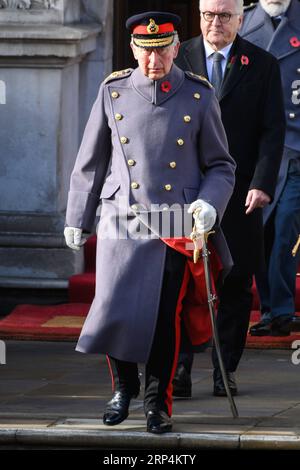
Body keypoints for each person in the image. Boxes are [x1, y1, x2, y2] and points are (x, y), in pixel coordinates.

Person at [64, 11, 236, 433]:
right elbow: (90, 162)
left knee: (164, 316)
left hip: (173, 220)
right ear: (133, 49)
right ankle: (124, 389)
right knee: (114, 309)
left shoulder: (197, 96)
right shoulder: (113, 91)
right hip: (121, 217)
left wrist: (209, 204)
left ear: (177, 49)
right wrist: (77, 215)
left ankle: (157, 403)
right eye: (145, 51)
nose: (153, 61)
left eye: (161, 51)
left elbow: (221, 165)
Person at [174, 0, 286, 397]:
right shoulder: (177, 54)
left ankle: (226, 369)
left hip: (240, 193)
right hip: (185, 192)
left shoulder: (262, 64)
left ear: (241, 20)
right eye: (208, 14)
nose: (215, 23)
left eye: (224, 16)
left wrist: (262, 183)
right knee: (181, 282)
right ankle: (180, 369)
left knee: (236, 281)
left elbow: (273, 133)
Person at [241, 0, 300, 337]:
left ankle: (282, 308)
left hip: (295, 148)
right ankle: (270, 310)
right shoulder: (244, 23)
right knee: (261, 234)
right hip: (258, 154)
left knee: (286, 230)